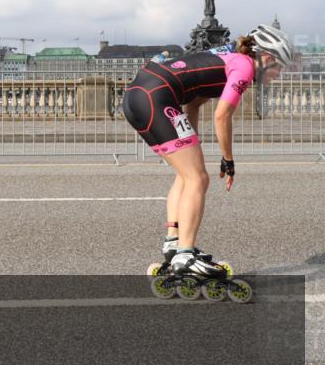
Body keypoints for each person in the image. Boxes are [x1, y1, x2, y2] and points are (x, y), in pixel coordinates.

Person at [122, 24, 294, 278]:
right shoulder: (244, 66)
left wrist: (192, 141)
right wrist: (228, 159)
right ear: (266, 58)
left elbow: (194, 101)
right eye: (279, 66)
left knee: (187, 175)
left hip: (139, 95)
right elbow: (222, 116)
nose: (278, 74)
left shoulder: (224, 57)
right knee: (198, 178)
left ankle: (174, 242)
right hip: (156, 96)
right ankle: (186, 254)